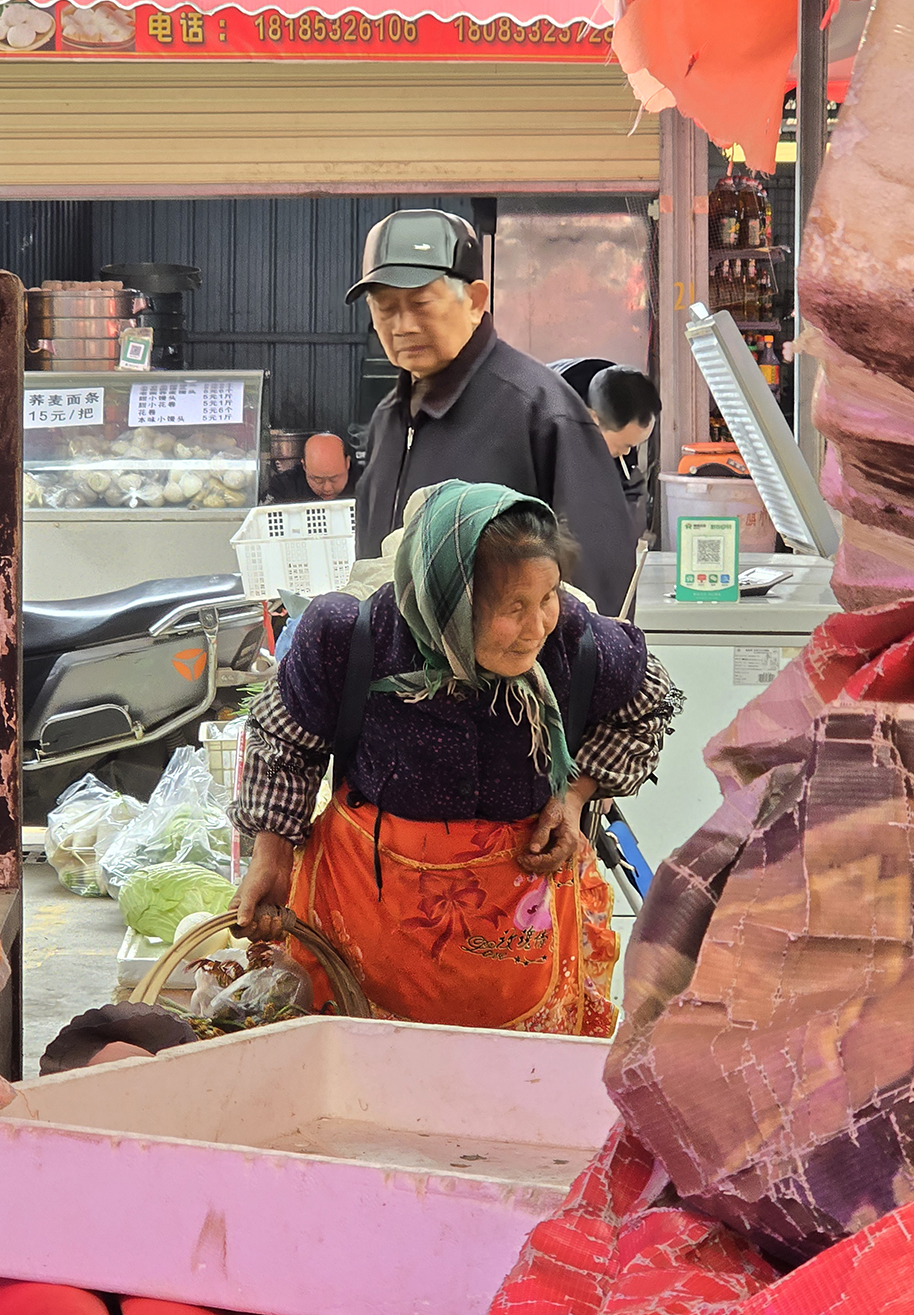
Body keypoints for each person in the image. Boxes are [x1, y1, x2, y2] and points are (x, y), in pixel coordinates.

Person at [231, 480, 681, 1036]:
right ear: (449, 600)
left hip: (517, 931)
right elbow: (285, 743)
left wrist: (573, 795)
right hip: (370, 914)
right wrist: (272, 856)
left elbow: (646, 707)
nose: (538, 627)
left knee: (517, 1079)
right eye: (513, 608)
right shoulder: (352, 640)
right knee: (368, 1072)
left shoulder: (574, 643)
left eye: (547, 597)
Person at [348, 209, 637, 616]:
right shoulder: (388, 420)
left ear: (475, 301)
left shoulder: (542, 413)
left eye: (421, 303)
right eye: (384, 308)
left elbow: (600, 594)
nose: (402, 326)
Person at [553, 359, 660, 540]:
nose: (627, 453)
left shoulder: (622, 400)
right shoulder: (543, 428)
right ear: (593, 420)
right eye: (625, 446)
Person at [264, 432, 353, 503]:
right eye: (318, 480)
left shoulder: (360, 484)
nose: (327, 488)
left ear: (347, 463)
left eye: (334, 479)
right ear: (304, 466)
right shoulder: (284, 487)